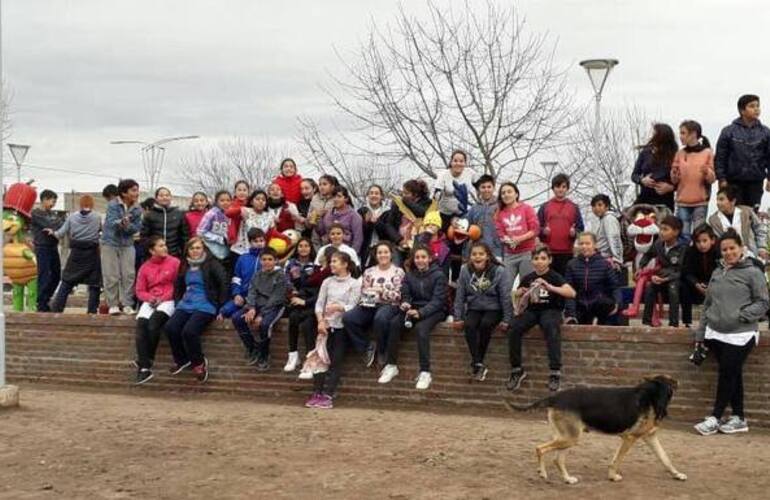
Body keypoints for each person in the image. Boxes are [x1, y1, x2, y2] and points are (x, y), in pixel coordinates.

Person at [693, 229, 769, 435]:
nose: (728, 252)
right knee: (733, 374)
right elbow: (707, 305)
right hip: (715, 333)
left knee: (727, 372)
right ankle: (739, 417)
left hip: (741, 333)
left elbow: (763, 302)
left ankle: (715, 417)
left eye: (732, 248)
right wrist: (701, 335)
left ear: (741, 248)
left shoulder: (753, 272)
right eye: (724, 249)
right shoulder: (717, 272)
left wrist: (743, 315)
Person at [507, 245, 576, 392]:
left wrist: (550, 287)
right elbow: (515, 295)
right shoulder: (528, 277)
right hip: (532, 311)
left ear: (549, 260)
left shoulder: (554, 276)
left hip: (551, 310)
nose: (539, 262)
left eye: (543, 258)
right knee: (513, 328)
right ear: (532, 261)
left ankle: (555, 371)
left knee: (550, 326)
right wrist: (520, 292)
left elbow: (571, 293)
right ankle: (516, 369)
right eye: (536, 258)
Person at [383, 245, 447, 390]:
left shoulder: (439, 275)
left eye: (423, 257)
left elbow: (438, 301)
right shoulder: (409, 275)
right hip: (414, 308)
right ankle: (391, 365)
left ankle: (425, 371)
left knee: (421, 329)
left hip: (435, 311)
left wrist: (422, 313)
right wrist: (406, 303)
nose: (420, 260)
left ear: (430, 259)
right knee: (394, 323)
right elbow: (406, 293)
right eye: (417, 257)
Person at [165, 237, 228, 383]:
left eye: (198, 248)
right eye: (192, 248)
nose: (195, 251)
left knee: (189, 331)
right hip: (186, 303)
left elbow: (223, 283)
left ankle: (199, 363)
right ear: (188, 250)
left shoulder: (212, 264)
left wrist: (221, 306)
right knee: (170, 328)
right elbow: (178, 286)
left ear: (204, 249)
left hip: (206, 304)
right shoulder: (184, 265)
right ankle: (182, 360)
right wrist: (177, 301)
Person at [304, 251, 362, 409]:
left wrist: (339, 307)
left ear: (345, 264)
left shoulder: (354, 284)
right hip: (325, 327)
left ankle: (328, 394)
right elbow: (319, 303)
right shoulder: (327, 282)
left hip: (342, 328)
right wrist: (320, 321)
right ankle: (317, 392)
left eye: (335, 261)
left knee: (336, 360)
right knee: (320, 359)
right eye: (331, 261)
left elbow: (354, 305)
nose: (332, 264)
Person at [342, 241, 405, 382]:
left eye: (385, 252)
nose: (383, 255)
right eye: (379, 253)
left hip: (390, 305)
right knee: (348, 318)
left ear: (391, 254)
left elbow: (399, 295)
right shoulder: (369, 271)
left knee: (380, 318)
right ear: (376, 255)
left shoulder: (398, 272)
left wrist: (382, 291)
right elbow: (363, 291)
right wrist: (369, 296)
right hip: (369, 304)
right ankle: (366, 347)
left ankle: (382, 352)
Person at [453, 242, 512, 382]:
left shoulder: (499, 271)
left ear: (487, 256)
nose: (477, 257)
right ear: (470, 257)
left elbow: (505, 296)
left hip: (494, 308)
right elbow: (460, 294)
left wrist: (507, 319)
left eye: (481, 254)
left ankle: (477, 362)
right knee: (469, 325)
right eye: (474, 254)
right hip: (474, 307)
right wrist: (458, 317)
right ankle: (478, 362)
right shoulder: (464, 270)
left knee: (485, 324)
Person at [133, 236, 180, 385]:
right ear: (152, 250)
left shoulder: (175, 263)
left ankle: (146, 361)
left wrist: (163, 298)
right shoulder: (145, 267)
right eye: (160, 246)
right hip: (151, 299)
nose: (165, 248)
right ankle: (145, 368)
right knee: (141, 327)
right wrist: (150, 298)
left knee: (154, 324)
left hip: (168, 299)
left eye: (165, 245)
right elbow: (139, 290)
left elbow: (177, 286)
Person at [234, 248, 288, 370]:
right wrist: (251, 308)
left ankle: (264, 355)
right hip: (257, 305)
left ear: (276, 261)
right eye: (264, 259)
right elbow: (252, 292)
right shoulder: (257, 275)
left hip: (274, 307)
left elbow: (276, 298)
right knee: (237, 318)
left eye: (270, 259)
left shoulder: (280, 276)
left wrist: (262, 314)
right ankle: (253, 348)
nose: (267, 262)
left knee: (264, 325)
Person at [715, 94, 770, 211]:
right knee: (735, 214)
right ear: (742, 110)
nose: (756, 109)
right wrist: (722, 179)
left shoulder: (765, 132)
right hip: (733, 181)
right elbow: (720, 158)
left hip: (755, 181)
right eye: (752, 106)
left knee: (752, 214)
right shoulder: (728, 131)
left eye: (758, 106)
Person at [49, 194, 101, 314]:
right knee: (94, 283)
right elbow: (100, 232)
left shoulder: (72, 217)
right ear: (92, 204)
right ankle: (92, 310)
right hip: (92, 252)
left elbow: (60, 233)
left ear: (80, 204)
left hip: (76, 252)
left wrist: (52, 232)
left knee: (67, 280)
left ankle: (57, 308)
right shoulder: (97, 217)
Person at [100, 179, 142, 315]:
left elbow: (136, 227)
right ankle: (112, 304)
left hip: (128, 244)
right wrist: (121, 223)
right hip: (110, 243)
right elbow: (111, 223)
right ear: (124, 193)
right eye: (133, 190)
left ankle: (127, 304)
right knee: (111, 274)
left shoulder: (137, 208)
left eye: (137, 190)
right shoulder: (113, 205)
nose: (136, 193)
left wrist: (127, 225)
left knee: (129, 274)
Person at [671, 120, 715, 241]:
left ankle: (698, 258)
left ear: (694, 134)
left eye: (683, 133)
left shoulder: (707, 152)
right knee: (683, 234)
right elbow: (674, 180)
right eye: (680, 133)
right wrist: (674, 174)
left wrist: (707, 172)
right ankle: (684, 258)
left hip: (700, 201)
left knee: (699, 235)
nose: (680, 137)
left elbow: (712, 179)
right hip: (682, 201)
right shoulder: (680, 153)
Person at [564, 232, 621, 325]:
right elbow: (568, 289)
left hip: (600, 304)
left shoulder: (605, 264)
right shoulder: (571, 264)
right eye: (581, 244)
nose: (584, 246)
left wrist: (617, 304)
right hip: (580, 304)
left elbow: (614, 286)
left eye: (587, 243)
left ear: (595, 245)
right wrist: (571, 313)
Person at [639, 215, 686, 327]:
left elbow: (682, 270)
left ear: (676, 232)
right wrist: (641, 266)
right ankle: (647, 321)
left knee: (673, 289)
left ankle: (673, 323)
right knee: (650, 287)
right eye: (661, 229)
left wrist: (666, 279)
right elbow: (648, 255)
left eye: (666, 229)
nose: (661, 232)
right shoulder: (658, 244)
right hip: (661, 276)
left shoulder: (683, 248)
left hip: (676, 278)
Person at [283, 237, 320, 372]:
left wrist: (305, 300)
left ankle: (310, 359)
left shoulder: (316, 265)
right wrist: (293, 293)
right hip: (295, 298)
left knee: (307, 324)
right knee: (293, 318)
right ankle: (293, 355)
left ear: (311, 248)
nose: (303, 248)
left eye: (306, 246)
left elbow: (316, 286)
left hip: (311, 302)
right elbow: (286, 280)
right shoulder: (291, 263)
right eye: (300, 246)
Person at [537, 174, 584, 275]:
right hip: (548, 253)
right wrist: (543, 231)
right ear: (553, 188)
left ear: (567, 188)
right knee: (549, 284)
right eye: (558, 187)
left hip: (567, 253)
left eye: (564, 187)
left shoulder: (574, 207)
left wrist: (574, 233)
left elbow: (581, 229)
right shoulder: (544, 207)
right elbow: (536, 228)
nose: (560, 189)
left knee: (565, 283)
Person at [376, 179, 432, 261]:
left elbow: (421, 213)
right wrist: (399, 240)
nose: (403, 195)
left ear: (415, 195)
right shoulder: (397, 204)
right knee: (397, 263)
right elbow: (389, 224)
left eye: (406, 193)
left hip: (417, 243)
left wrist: (407, 202)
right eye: (403, 192)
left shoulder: (426, 203)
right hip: (399, 243)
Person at [494, 181, 539, 284]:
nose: (506, 195)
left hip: (527, 252)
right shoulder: (499, 213)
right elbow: (500, 233)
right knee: (505, 285)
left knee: (526, 285)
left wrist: (519, 239)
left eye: (509, 192)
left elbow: (535, 229)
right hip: (509, 254)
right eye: (503, 193)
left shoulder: (526, 208)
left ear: (516, 194)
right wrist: (508, 240)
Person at [707, 185, 767, 260]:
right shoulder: (713, 220)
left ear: (733, 201)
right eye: (717, 200)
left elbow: (759, 229)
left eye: (721, 199)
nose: (718, 203)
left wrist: (761, 247)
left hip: (751, 254)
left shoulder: (747, 212)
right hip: (728, 258)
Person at [219, 228, 265, 319]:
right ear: (250, 242)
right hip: (243, 296)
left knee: (238, 317)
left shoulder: (267, 258)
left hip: (260, 298)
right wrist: (237, 294)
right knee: (224, 311)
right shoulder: (243, 258)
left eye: (262, 240)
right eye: (255, 241)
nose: (259, 243)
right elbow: (236, 279)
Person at [631, 123, 678, 211]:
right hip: (645, 198)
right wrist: (642, 180)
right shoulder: (645, 152)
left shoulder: (674, 154)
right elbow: (634, 175)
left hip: (664, 201)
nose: (652, 136)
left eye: (655, 133)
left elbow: (682, 181)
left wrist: (671, 188)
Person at [31, 189, 64, 312]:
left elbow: (61, 224)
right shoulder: (36, 213)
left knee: (56, 275)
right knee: (44, 275)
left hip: (53, 247)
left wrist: (54, 224)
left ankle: (46, 298)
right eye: (52, 201)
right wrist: (55, 224)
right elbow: (51, 224)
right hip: (42, 247)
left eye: (55, 202)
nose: (53, 204)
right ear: (44, 199)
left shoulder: (52, 214)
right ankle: (41, 303)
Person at [681, 224, 718, 328]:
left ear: (712, 240)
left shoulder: (718, 251)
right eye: (698, 242)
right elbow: (686, 272)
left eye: (705, 241)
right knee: (683, 286)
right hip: (696, 286)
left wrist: (710, 285)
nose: (702, 245)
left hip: (714, 285)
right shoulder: (690, 251)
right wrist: (696, 284)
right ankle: (687, 321)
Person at [433, 149, 477, 229]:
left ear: (465, 163)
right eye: (455, 161)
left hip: (462, 213)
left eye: (461, 161)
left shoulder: (470, 173)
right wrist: (432, 212)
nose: (458, 163)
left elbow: (480, 186)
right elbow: (436, 194)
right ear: (451, 162)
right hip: (445, 213)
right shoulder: (443, 175)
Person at [316, 185, 363, 254]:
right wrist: (318, 218)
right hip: (329, 251)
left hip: (346, 252)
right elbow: (322, 232)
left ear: (346, 199)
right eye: (334, 197)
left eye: (339, 196)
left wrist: (352, 255)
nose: (336, 199)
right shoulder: (328, 214)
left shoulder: (354, 216)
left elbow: (358, 239)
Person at [141, 187, 186, 257]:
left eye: (167, 195)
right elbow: (144, 236)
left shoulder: (179, 214)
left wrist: (183, 252)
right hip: (154, 255)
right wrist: (149, 251)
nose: (164, 197)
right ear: (156, 198)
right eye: (161, 196)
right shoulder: (149, 215)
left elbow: (184, 236)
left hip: (174, 254)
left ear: (171, 197)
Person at [466, 174, 502, 259]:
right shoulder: (474, 208)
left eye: (489, 187)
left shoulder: (500, 205)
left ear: (494, 188)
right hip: (478, 249)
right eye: (483, 187)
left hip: (496, 249)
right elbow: (467, 225)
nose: (486, 190)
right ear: (479, 189)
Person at [231, 190, 273, 257]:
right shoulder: (245, 210)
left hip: (258, 253)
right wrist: (239, 209)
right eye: (257, 199)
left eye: (263, 199)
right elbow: (227, 213)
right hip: (239, 251)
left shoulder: (269, 216)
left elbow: (271, 234)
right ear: (251, 202)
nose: (261, 201)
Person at [197, 190, 232, 263]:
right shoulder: (211, 214)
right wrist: (220, 239)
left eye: (228, 200)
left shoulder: (231, 215)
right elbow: (200, 232)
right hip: (211, 251)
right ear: (216, 202)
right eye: (222, 200)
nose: (225, 203)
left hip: (227, 252)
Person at [358, 184, 389, 268]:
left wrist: (377, 222)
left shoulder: (388, 211)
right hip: (366, 248)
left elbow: (389, 231)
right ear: (367, 196)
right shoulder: (362, 211)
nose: (373, 195)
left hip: (383, 248)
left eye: (376, 193)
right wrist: (368, 223)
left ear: (381, 196)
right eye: (371, 193)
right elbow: (359, 232)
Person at [590, 194, 623, 269]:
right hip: (602, 259)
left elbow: (614, 239)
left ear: (607, 207)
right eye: (594, 206)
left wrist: (617, 260)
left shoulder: (609, 219)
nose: (596, 208)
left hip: (609, 261)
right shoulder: (602, 219)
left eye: (600, 205)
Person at [309, 174, 339, 248]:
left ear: (332, 186)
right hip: (316, 237)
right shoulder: (315, 198)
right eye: (320, 184)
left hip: (332, 237)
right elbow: (309, 217)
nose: (321, 187)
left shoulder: (337, 199)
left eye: (325, 184)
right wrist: (313, 216)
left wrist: (327, 213)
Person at [224, 180, 251, 248]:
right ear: (235, 192)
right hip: (235, 238)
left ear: (248, 192)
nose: (242, 192)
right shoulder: (232, 203)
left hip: (248, 236)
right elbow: (228, 212)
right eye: (239, 190)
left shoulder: (251, 204)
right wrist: (240, 209)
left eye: (244, 190)